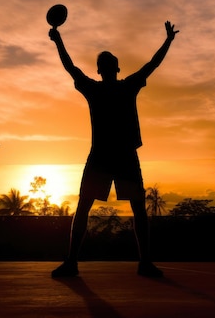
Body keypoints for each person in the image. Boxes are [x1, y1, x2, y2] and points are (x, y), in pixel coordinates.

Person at [48, 20, 179, 278]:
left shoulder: (97, 89)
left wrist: (58, 40)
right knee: (134, 208)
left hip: (107, 155)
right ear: (113, 69)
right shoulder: (126, 86)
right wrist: (168, 41)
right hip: (119, 155)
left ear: (101, 70)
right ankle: (143, 262)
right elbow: (152, 64)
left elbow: (70, 68)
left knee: (89, 206)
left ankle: (74, 262)